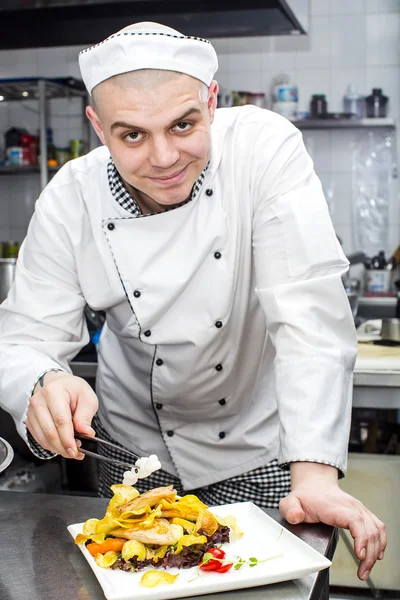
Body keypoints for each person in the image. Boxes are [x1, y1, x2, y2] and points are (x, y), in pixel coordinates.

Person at [0, 21, 385, 580]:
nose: (163, 157)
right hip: (130, 459)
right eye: (131, 135)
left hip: (262, 453)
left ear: (212, 100)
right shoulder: (71, 197)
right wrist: (43, 380)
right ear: (98, 128)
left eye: (183, 124)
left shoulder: (263, 149)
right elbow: (22, 337)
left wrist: (316, 478)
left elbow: (309, 318)